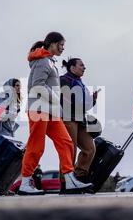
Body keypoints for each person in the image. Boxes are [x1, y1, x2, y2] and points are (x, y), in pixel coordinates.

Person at [19, 32, 93, 195]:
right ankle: (25, 183)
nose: (62, 48)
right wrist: (55, 98)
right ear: (51, 44)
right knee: (36, 146)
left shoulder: (50, 62)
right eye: (60, 45)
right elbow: (36, 86)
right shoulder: (42, 61)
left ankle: (69, 179)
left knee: (66, 142)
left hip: (51, 112)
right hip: (39, 110)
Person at [60, 58, 99, 183]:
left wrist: (92, 100)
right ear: (72, 67)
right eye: (81, 65)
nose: (84, 68)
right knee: (69, 150)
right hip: (68, 118)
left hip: (80, 119)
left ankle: (79, 176)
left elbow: (84, 105)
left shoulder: (80, 83)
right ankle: (65, 182)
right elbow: (65, 101)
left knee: (90, 148)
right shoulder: (64, 80)